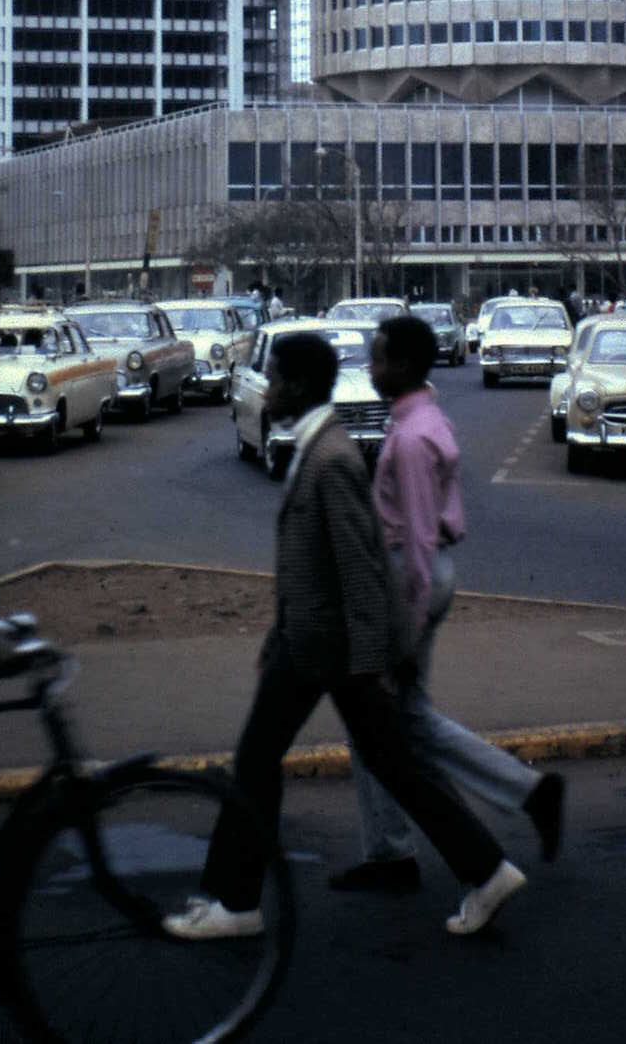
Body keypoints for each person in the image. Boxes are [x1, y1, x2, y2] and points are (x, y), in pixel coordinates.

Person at [164, 330, 525, 941]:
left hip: (329, 652)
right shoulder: (316, 447)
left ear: (301, 386)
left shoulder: (330, 460)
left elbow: (361, 571)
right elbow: (316, 565)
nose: (268, 388)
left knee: (258, 760)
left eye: (276, 378)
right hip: (312, 645)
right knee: (392, 765)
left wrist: (372, 661)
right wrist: (280, 633)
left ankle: (235, 901)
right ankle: (485, 869)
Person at [333, 314, 565, 892]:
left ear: (406, 366)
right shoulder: (428, 416)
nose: (372, 366)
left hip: (406, 580)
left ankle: (397, 850)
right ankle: (522, 794)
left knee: (376, 716)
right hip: (424, 574)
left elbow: (416, 538)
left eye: (381, 358)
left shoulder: (411, 437)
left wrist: (405, 632)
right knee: (402, 717)